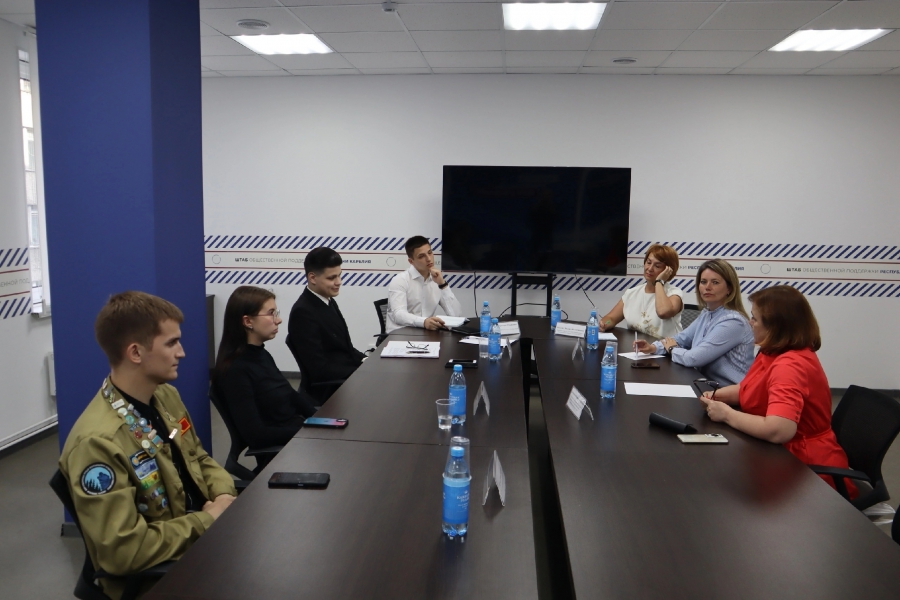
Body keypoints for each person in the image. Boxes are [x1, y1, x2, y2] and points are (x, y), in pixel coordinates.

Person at [58, 292, 237, 600]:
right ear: (136, 353)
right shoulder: (98, 443)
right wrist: (207, 520)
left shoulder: (165, 396)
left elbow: (198, 457)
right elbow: (124, 550)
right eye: (171, 343)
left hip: (199, 542)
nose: (182, 352)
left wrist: (222, 496)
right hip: (161, 575)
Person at [699, 285, 855, 495]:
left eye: (754, 319)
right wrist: (718, 396)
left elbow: (779, 429)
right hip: (780, 456)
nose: (750, 323)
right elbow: (751, 388)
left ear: (775, 327)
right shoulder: (772, 351)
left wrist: (727, 415)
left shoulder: (789, 366)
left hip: (806, 473)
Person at [215, 286, 317, 454]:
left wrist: (319, 420)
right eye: (271, 313)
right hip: (285, 450)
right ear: (248, 322)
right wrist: (306, 431)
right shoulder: (236, 371)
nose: (279, 320)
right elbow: (256, 435)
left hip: (296, 434)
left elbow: (290, 395)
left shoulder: (261, 354)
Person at [634, 259, 754, 386]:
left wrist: (672, 349)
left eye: (715, 282)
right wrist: (653, 347)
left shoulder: (734, 322)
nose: (707, 287)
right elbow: (681, 339)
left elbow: (693, 358)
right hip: (706, 386)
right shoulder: (707, 313)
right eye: (703, 282)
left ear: (729, 289)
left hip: (728, 394)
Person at [287, 247, 366, 401]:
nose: (339, 282)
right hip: (328, 393)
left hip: (344, 381)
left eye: (339, 275)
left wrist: (366, 361)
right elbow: (319, 369)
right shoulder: (302, 313)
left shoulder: (328, 301)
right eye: (332, 278)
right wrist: (360, 371)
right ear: (312, 278)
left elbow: (345, 348)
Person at [598, 244, 684, 338]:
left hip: (666, 347)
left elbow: (663, 312)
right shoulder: (631, 293)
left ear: (668, 271)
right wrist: (605, 323)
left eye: (657, 266)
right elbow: (611, 318)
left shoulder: (674, 294)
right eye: (648, 262)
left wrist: (659, 281)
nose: (650, 268)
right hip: (634, 346)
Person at [386, 235, 462, 333]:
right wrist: (424, 322)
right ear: (411, 261)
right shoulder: (400, 280)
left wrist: (442, 284)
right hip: (400, 335)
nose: (429, 259)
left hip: (426, 334)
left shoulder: (436, 280)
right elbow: (398, 315)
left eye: (430, 253)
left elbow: (457, 315)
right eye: (421, 256)